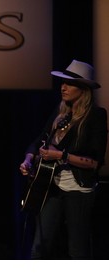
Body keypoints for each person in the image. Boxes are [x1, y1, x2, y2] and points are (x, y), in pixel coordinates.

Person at [19, 59, 108, 259]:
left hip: (79, 190)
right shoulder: (60, 113)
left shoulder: (96, 116)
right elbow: (39, 140)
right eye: (63, 82)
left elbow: (94, 162)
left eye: (69, 83)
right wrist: (28, 159)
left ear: (83, 88)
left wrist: (61, 155)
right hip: (53, 187)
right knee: (39, 248)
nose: (63, 87)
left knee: (77, 250)